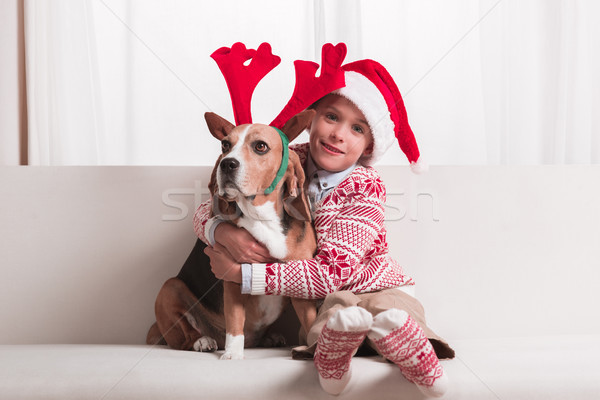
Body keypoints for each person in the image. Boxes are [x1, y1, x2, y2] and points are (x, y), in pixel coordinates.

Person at [200, 57, 455, 397]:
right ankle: (334, 363)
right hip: (331, 299)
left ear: (369, 146)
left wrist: (245, 275)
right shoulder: (285, 156)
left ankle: (417, 359)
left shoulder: (365, 186)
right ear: (312, 119)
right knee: (328, 324)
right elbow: (206, 206)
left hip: (375, 285)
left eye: (358, 128)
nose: (338, 134)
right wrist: (221, 230)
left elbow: (331, 272)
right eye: (332, 117)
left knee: (394, 313)